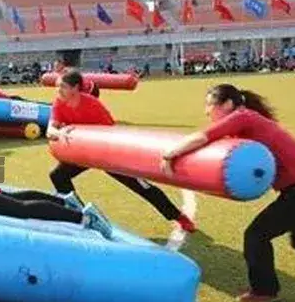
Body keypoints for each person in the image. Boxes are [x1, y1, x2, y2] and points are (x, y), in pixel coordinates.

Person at [161, 83, 295, 302]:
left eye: (209, 105)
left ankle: (264, 290)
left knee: (256, 235)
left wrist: (169, 154)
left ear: (227, 104)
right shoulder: (244, 120)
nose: (206, 111)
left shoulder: (242, 117)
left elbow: (203, 137)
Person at [47, 69, 195, 232]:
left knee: (141, 186)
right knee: (58, 176)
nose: (58, 90)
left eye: (62, 86)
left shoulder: (92, 104)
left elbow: (110, 131)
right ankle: (80, 215)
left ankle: (178, 216)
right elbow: (50, 130)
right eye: (57, 86)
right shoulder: (59, 103)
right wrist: (59, 133)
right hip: (84, 153)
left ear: (75, 88)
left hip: (107, 152)